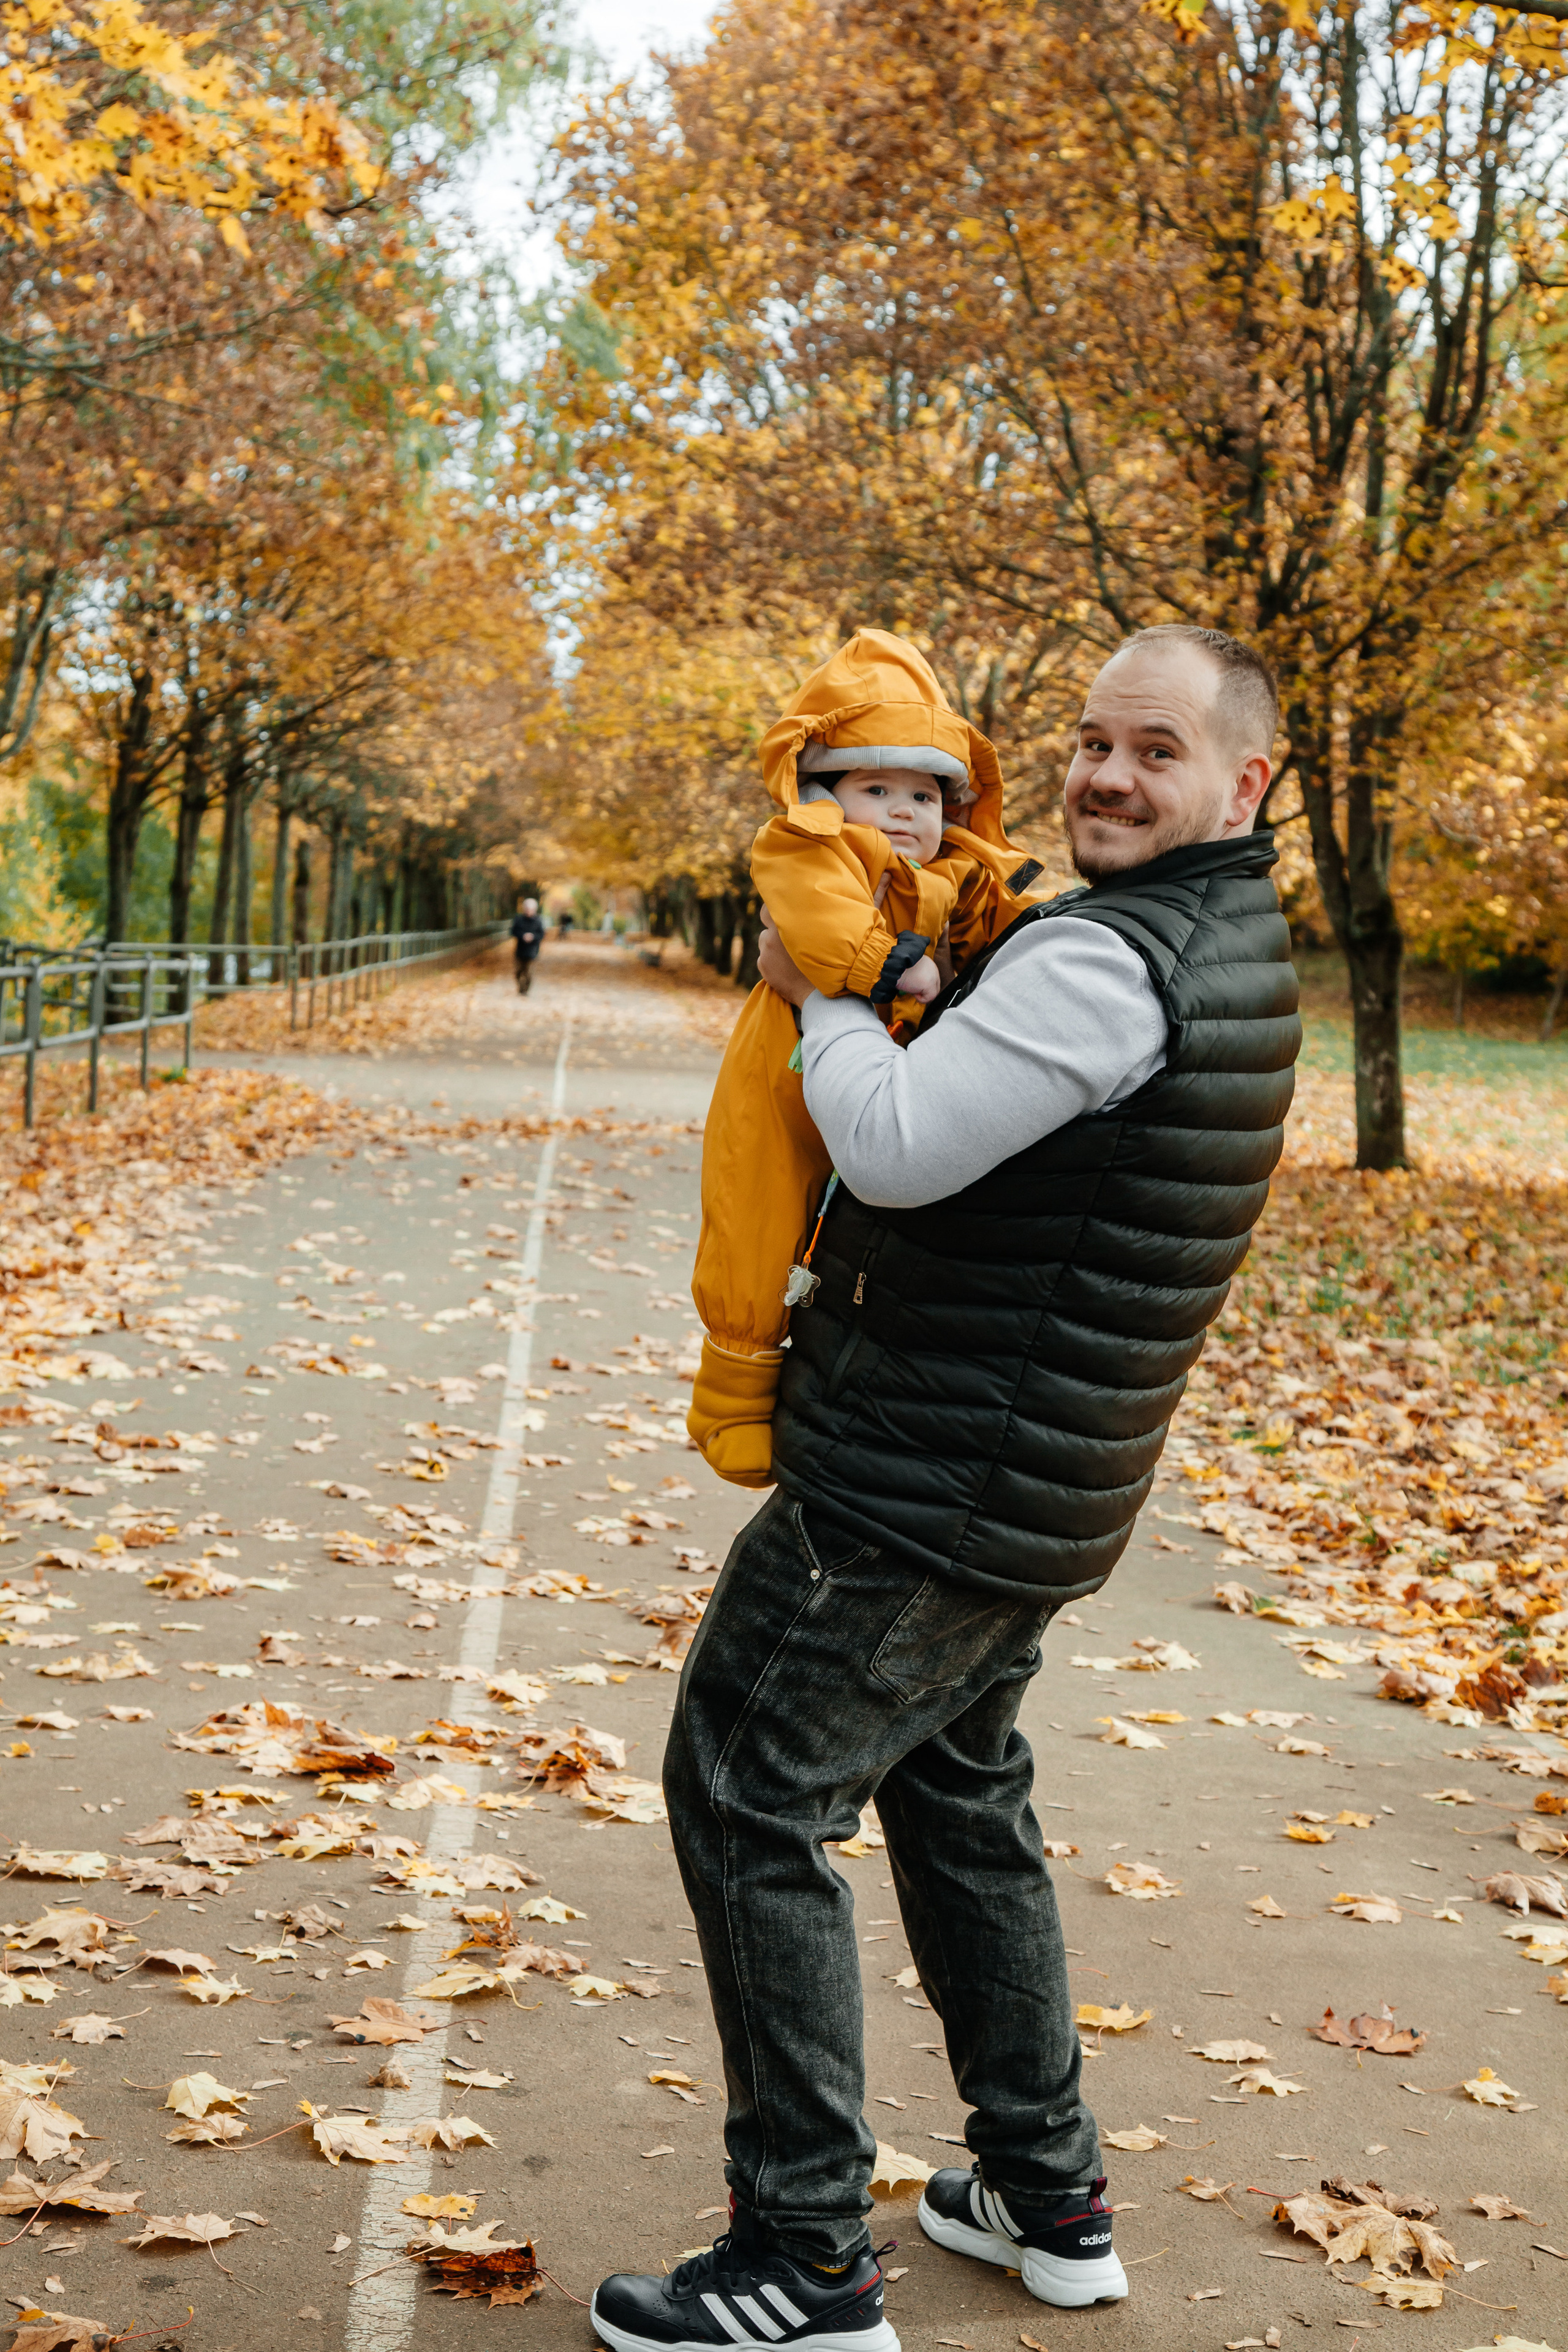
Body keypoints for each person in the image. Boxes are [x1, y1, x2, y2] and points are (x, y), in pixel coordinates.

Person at [590, 624, 1302, 2352]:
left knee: (750, 1793)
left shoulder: (1107, 964)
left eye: (1154, 750)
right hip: (1031, 1484)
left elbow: (897, 1143)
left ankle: (804, 2262)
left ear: (1246, 781)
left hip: (926, 1483)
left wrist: (815, 984)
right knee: (956, 1797)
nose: (1107, 776)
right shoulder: (1231, 940)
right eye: (1088, 742)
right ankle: (1045, 2193)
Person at [688, 628, 1042, 1489]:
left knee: (845, 1228)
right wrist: (894, 967)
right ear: (820, 793)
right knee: (761, 1208)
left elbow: (1005, 913)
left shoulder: (958, 869)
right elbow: (813, 917)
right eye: (875, 787)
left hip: (888, 1065)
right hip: (785, 1065)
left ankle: (812, 1371)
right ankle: (732, 1385)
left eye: (923, 794)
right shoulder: (811, 846)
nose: (901, 811)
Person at [510, 896, 545, 993]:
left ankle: (525, 990)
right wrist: (523, 936)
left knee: (529, 973)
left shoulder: (538, 921)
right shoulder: (519, 919)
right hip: (520, 950)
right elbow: (513, 931)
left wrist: (533, 937)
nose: (529, 911)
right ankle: (521, 988)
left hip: (532, 951)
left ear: (535, 910)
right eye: (527, 909)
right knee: (518, 972)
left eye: (531, 909)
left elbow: (541, 934)